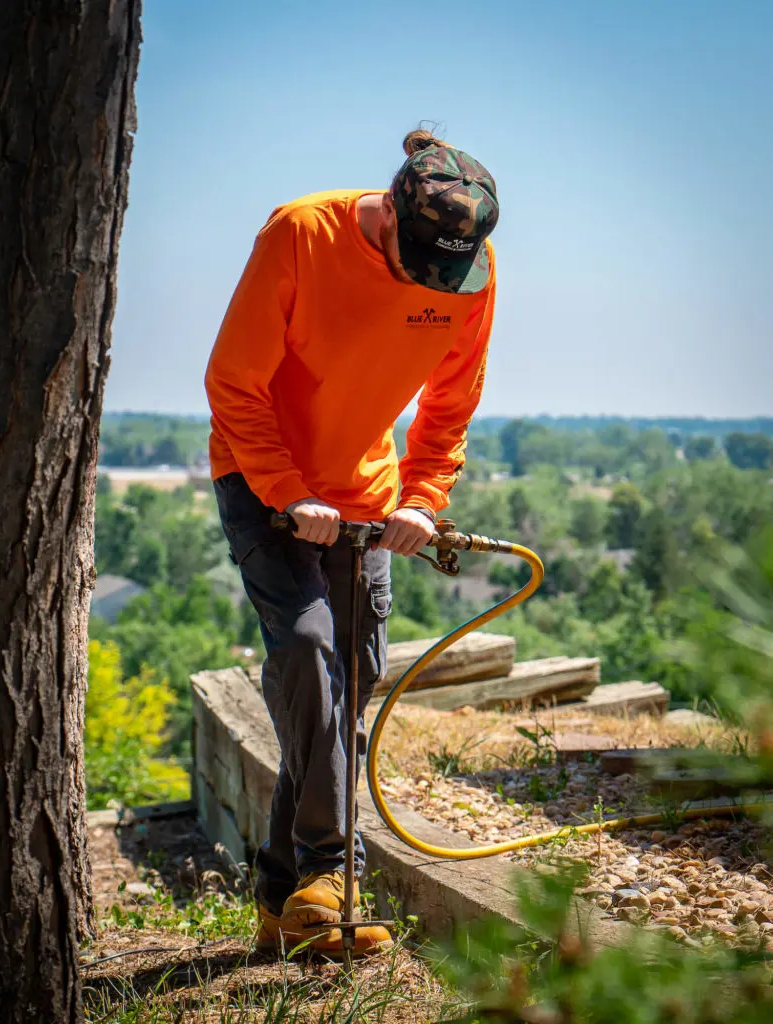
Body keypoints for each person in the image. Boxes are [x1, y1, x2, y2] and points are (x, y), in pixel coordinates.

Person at [205, 128, 499, 956]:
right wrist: (287, 490)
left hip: (363, 497)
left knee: (348, 685)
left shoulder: (469, 268)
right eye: (419, 265)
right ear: (386, 220)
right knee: (308, 649)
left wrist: (424, 498)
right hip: (260, 477)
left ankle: (285, 904)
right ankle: (335, 874)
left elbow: (449, 404)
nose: (435, 284)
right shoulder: (301, 233)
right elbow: (234, 382)